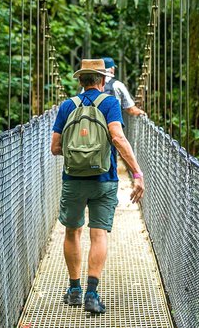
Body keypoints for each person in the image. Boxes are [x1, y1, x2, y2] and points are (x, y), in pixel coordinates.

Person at [50, 58, 145, 314]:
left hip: (73, 180)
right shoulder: (110, 103)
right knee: (98, 234)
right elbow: (118, 138)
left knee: (72, 231)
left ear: (80, 81)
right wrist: (136, 172)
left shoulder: (67, 105)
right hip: (105, 179)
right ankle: (92, 295)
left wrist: (78, 152)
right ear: (103, 81)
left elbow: (55, 148)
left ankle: (74, 291)